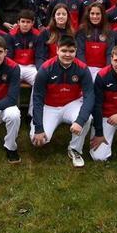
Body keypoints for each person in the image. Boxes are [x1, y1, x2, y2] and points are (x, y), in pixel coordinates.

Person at [30, 36, 94, 168]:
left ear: (76, 51)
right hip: (49, 106)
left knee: (87, 118)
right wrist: (38, 128)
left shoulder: (82, 68)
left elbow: (89, 96)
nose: (67, 54)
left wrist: (80, 121)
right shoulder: (45, 68)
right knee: (38, 141)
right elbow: (37, 99)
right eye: (64, 51)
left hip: (72, 104)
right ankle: (38, 126)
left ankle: (74, 149)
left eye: (71, 51)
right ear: (57, 50)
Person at [76, 2, 114, 80]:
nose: (95, 16)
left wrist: (106, 71)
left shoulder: (109, 31)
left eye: (98, 14)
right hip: (86, 69)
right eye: (92, 13)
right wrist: (85, 70)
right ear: (88, 15)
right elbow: (80, 52)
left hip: (102, 69)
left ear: (102, 15)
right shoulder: (82, 30)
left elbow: (110, 53)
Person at [35, 3, 74, 67]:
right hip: (50, 67)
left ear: (68, 17)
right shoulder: (45, 33)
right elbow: (40, 56)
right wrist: (42, 71)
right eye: (58, 14)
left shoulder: (72, 33)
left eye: (64, 14)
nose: (61, 16)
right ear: (54, 17)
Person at [8, 10, 39, 85]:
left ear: (32, 23)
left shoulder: (38, 35)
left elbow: (40, 55)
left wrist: (40, 70)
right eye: (23, 21)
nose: (25, 24)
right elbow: (9, 55)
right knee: (10, 81)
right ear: (18, 22)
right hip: (16, 66)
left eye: (28, 22)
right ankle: (12, 97)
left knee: (39, 80)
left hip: (32, 67)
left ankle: (35, 97)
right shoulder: (11, 35)